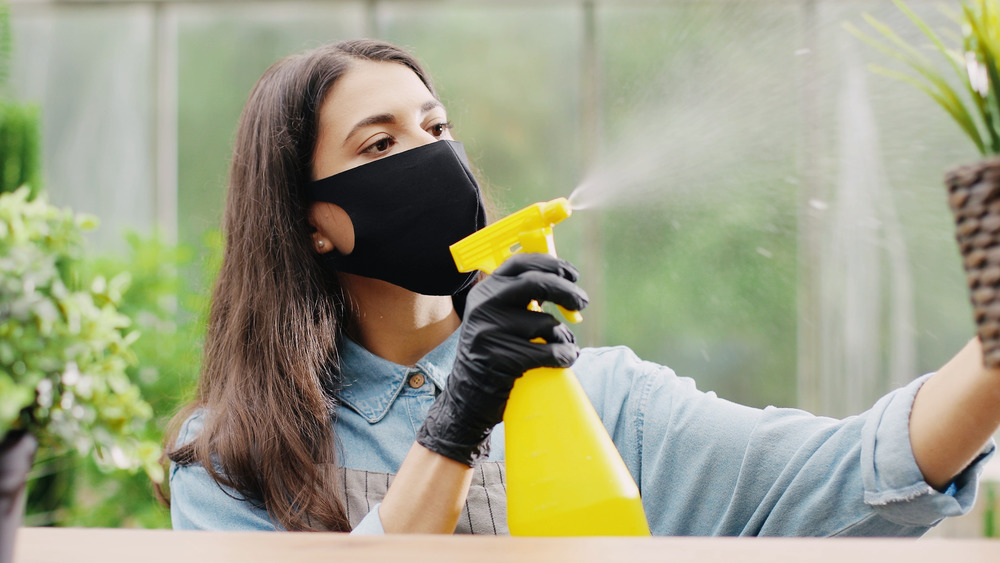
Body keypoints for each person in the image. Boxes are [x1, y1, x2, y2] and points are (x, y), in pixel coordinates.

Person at [162, 38, 999, 536]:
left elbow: (849, 471)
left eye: (437, 126)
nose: (432, 156)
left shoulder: (604, 400)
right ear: (311, 220)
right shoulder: (234, 452)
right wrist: (460, 416)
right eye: (380, 146)